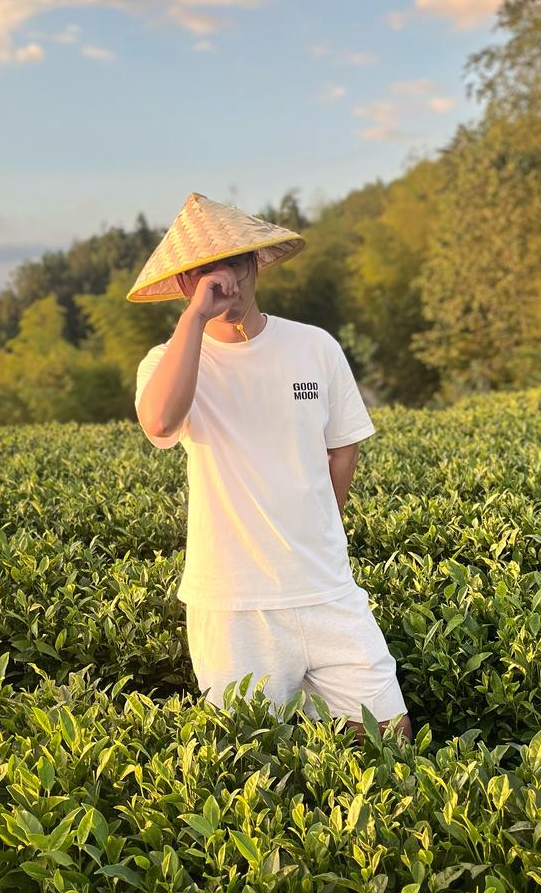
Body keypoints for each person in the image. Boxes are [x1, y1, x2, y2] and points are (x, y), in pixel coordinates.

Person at [129, 192, 412, 744]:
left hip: (326, 588)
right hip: (233, 603)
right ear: (184, 284)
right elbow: (160, 423)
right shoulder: (167, 362)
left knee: (388, 736)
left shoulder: (314, 346)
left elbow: (343, 447)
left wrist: (314, 531)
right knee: (256, 764)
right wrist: (197, 318)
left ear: (255, 262)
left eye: (233, 262)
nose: (222, 281)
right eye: (203, 272)